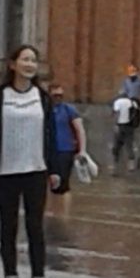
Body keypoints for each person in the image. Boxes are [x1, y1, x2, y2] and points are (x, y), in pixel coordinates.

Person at [0, 45, 58, 278]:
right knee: (8, 227)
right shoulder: (0, 96)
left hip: (35, 169)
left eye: (33, 60)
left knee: (35, 227)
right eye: (25, 60)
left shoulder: (42, 97)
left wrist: (55, 169)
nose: (30, 64)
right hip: (6, 170)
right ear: (13, 64)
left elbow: (51, 134)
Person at [48, 85, 86, 214]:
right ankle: (52, 211)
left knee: (63, 184)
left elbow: (80, 130)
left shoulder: (68, 110)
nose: (58, 98)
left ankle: (64, 213)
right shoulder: (44, 109)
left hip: (65, 150)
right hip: (47, 151)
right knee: (49, 183)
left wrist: (82, 151)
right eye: (55, 95)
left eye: (60, 96)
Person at [111, 90, 138, 169]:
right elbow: (136, 114)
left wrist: (115, 124)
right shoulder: (132, 102)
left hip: (120, 125)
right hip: (130, 126)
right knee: (129, 144)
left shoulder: (118, 102)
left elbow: (117, 113)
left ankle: (115, 164)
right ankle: (131, 165)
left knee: (117, 145)